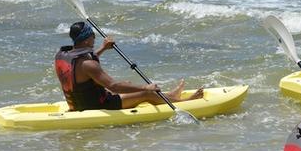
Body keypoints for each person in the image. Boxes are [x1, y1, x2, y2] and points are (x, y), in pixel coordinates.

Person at [54, 21, 203, 111]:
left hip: (77, 104)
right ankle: (184, 103)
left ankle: (171, 96)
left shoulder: (63, 55)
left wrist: (103, 48)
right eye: (93, 37)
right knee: (147, 93)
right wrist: (146, 87)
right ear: (86, 40)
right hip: (97, 106)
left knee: (129, 84)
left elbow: (81, 69)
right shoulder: (89, 64)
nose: (94, 40)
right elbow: (113, 86)